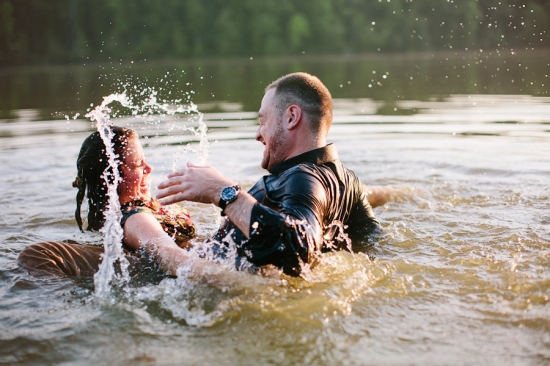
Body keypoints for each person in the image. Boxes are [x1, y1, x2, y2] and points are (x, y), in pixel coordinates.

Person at [156, 72, 392, 276]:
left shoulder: (301, 177)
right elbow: (373, 244)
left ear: (291, 117)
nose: (258, 134)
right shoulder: (347, 180)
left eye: (263, 121)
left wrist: (222, 192)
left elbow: (300, 248)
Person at [17, 126, 232, 283]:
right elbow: (171, 257)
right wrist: (235, 282)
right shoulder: (136, 218)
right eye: (138, 164)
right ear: (113, 178)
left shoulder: (136, 213)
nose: (148, 168)